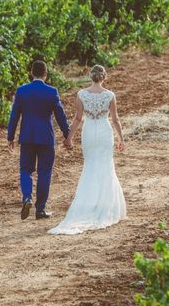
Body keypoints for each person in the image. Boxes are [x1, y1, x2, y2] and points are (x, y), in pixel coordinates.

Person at [48, 65, 126, 235]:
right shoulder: (109, 95)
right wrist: (121, 138)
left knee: (90, 166)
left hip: (89, 132)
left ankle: (89, 204)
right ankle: (105, 206)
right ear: (104, 77)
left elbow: (77, 119)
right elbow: (115, 119)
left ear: (91, 77)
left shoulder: (82, 94)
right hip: (105, 133)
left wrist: (69, 137)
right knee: (106, 166)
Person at [7, 60, 71, 220]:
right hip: (46, 137)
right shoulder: (52, 92)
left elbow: (14, 115)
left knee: (25, 170)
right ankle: (40, 209)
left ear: (31, 73)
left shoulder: (22, 91)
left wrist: (10, 136)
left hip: (27, 136)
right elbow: (60, 115)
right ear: (45, 74)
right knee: (44, 172)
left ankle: (27, 197)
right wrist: (67, 133)